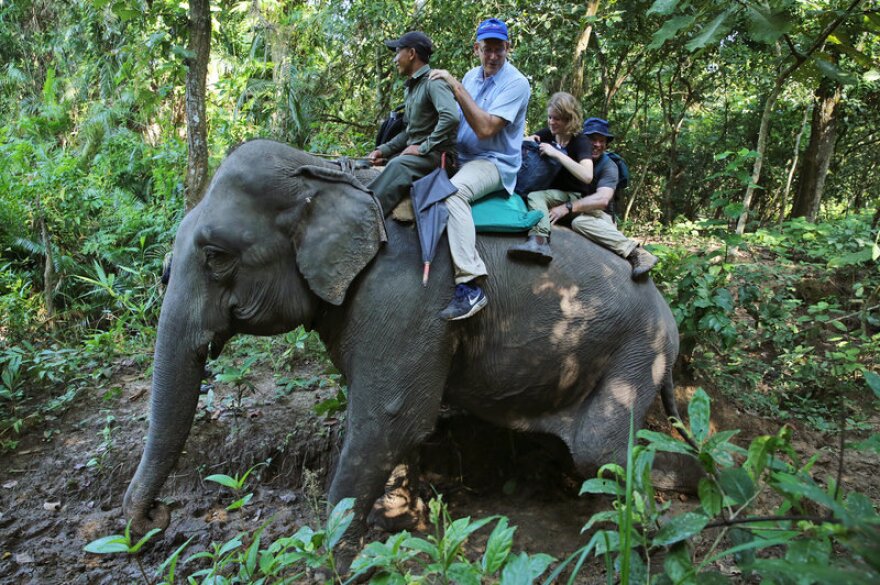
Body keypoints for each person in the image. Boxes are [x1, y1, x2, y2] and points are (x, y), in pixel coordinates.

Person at [429, 18, 531, 320]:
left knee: (453, 195)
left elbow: (486, 128)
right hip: (462, 156)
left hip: (494, 162)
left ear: (508, 48)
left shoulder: (516, 83)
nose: (493, 56)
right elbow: (456, 120)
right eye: (487, 49)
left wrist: (455, 87)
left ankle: (470, 285)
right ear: (477, 49)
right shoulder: (472, 76)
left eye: (499, 49)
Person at [510, 115, 658, 278]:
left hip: (595, 213)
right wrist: (528, 139)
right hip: (565, 203)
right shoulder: (569, 148)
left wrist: (566, 208)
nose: (597, 145)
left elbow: (602, 199)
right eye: (592, 139)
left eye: (602, 141)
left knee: (581, 223)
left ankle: (635, 251)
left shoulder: (608, 166)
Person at [367, 31, 459, 215]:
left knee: (397, 166)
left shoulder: (433, 82)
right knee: (379, 164)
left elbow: (451, 117)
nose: (395, 59)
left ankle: (365, 215)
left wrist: (423, 148)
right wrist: (382, 150)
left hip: (436, 157)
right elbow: (409, 133)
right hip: (419, 158)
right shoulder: (412, 88)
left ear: (411, 54)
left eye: (397, 52)